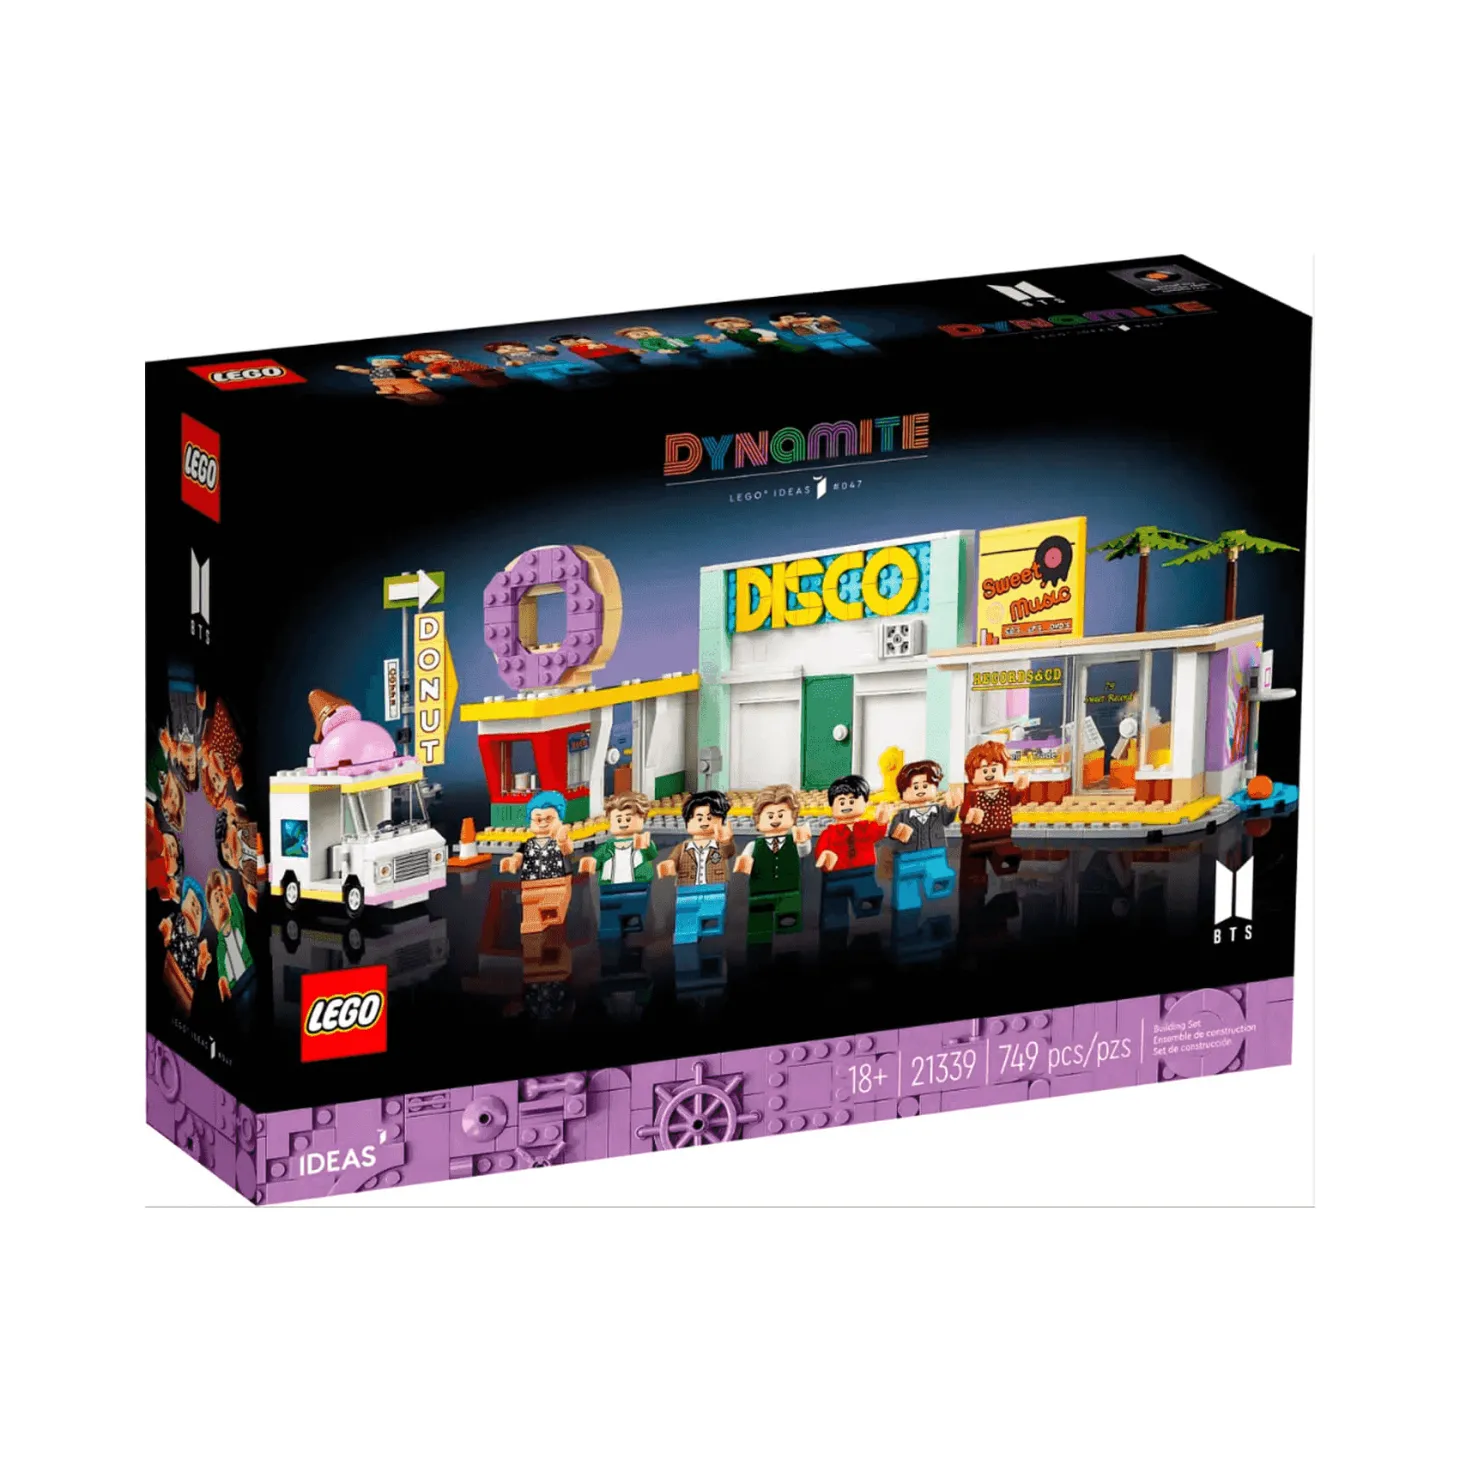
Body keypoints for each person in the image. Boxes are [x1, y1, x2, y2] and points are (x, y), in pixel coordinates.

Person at [734, 784, 811, 943]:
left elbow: (803, 852)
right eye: (770, 816)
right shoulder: (754, 846)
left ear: (793, 817)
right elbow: (744, 863)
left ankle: (789, 947)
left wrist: (803, 842)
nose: (775, 820)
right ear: (758, 821)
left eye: (781, 815)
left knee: (789, 927)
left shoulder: (794, 842)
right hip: (759, 893)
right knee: (759, 929)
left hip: (789, 891)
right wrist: (744, 862)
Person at [656, 790, 736, 944]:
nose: (704, 822)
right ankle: (686, 940)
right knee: (685, 921)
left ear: (721, 820)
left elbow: (728, 852)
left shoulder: (720, 845)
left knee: (712, 915)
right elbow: (673, 860)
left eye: (710, 817)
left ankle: (707, 934)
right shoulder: (683, 848)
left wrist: (726, 841)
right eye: (699, 818)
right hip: (687, 890)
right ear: (688, 821)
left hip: (715, 887)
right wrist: (669, 865)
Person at [879, 759, 958, 912]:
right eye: (915, 786)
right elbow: (893, 834)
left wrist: (951, 807)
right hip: (907, 858)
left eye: (926, 785)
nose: (920, 790)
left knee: (940, 878)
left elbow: (947, 819)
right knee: (906, 895)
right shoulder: (902, 815)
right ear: (903, 792)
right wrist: (897, 832)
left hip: (934, 855)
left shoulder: (938, 811)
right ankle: (906, 910)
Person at [813, 774, 886, 930]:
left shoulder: (865, 827)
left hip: (864, 872)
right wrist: (824, 856)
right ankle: (834, 927)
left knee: (870, 903)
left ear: (865, 803)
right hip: (836, 874)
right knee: (834, 910)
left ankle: (868, 927)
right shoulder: (829, 833)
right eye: (841, 801)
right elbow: (821, 848)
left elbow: (877, 833)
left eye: (852, 801)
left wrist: (881, 822)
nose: (847, 805)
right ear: (831, 806)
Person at [579, 791, 657, 937]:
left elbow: (652, 854)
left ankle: (634, 923)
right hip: (610, 888)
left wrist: (646, 846)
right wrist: (591, 862)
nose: (623, 823)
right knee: (609, 912)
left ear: (642, 818)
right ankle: (610, 929)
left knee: (636, 909)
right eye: (618, 819)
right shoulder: (607, 847)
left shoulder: (641, 842)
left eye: (628, 819)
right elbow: (597, 860)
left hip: (637, 886)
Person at [500, 790, 576, 935]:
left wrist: (562, 839)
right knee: (530, 910)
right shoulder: (528, 843)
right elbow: (519, 855)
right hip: (531, 884)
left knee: (552, 909)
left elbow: (568, 850)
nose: (543, 823)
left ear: (560, 819)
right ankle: (532, 924)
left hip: (557, 882)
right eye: (538, 820)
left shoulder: (558, 840)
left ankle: (551, 921)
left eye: (549, 819)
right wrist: (512, 861)